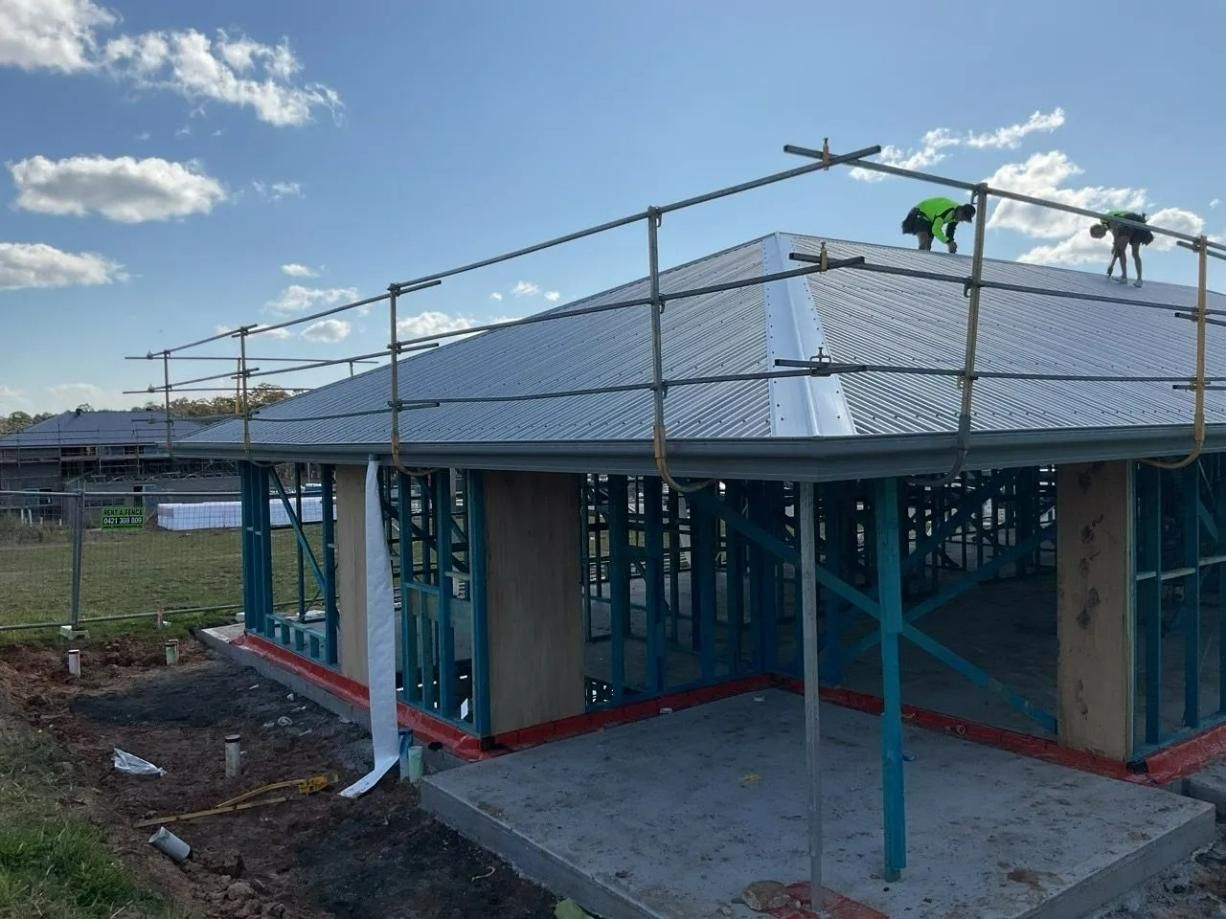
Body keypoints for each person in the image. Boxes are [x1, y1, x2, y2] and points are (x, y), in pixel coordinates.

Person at [1089, 210, 1153, 288]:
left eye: (1097, 234)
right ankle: (1139, 280)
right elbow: (1116, 240)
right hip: (1137, 223)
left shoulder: (1104, 220)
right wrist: (1112, 264)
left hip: (1128, 220)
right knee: (1135, 253)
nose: (1099, 236)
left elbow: (1116, 234)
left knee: (1121, 250)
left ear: (1098, 227)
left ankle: (1124, 277)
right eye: (1097, 237)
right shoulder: (1110, 228)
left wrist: (1115, 245)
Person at [901, 197, 976, 253]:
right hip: (919, 213)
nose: (962, 220)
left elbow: (950, 231)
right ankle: (918, 262)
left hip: (931, 219)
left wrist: (951, 242)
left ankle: (924, 265)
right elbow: (936, 230)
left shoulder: (956, 216)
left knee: (928, 246)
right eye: (963, 217)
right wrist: (948, 242)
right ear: (960, 211)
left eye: (965, 219)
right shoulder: (946, 211)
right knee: (924, 243)